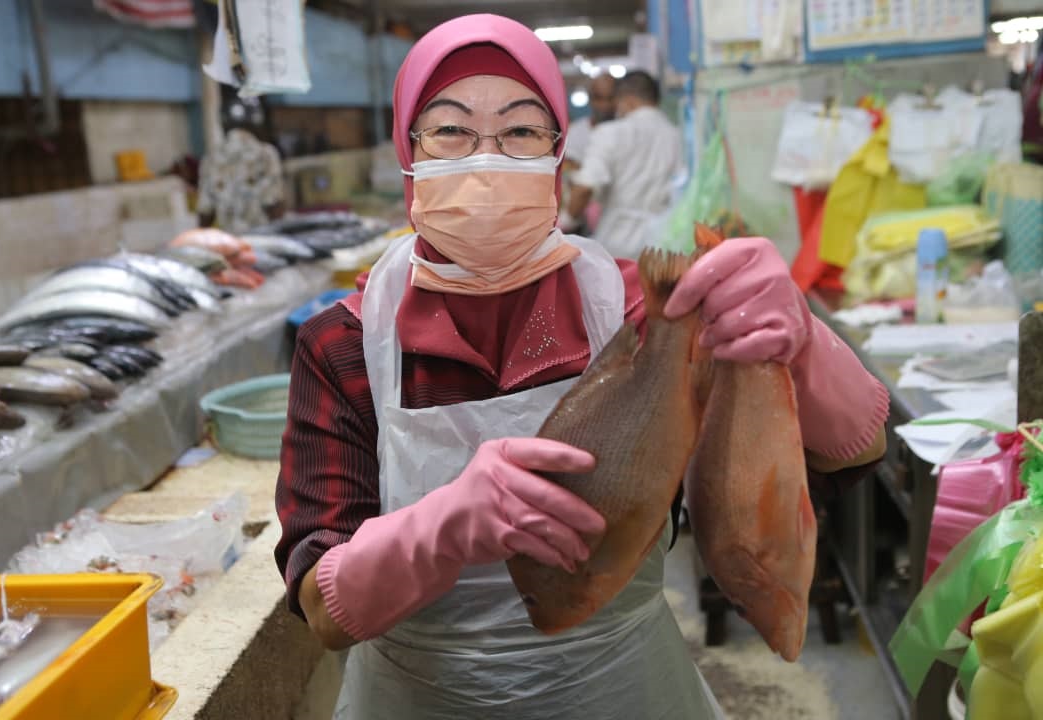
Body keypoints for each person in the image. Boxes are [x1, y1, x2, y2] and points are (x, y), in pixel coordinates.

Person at [275, 13, 890, 720]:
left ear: (558, 154)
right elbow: (319, 612)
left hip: (629, 691)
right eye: (450, 130)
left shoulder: (645, 309)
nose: (488, 158)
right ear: (408, 154)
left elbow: (853, 456)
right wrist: (442, 528)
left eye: (520, 132)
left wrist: (799, 341)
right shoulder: (343, 343)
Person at [562, 70, 683, 259]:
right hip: (663, 243)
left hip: (616, 241)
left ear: (627, 100)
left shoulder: (610, 133)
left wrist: (565, 222)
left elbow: (585, 188)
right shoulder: (676, 136)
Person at [196, 101, 286, 233]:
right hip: (262, 239)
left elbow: (205, 212)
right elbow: (273, 203)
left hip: (230, 244)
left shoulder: (211, 158)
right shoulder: (266, 154)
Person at [563, 73, 617, 168]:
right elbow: (569, 166)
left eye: (610, 98)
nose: (605, 105)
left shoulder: (628, 131)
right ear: (590, 98)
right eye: (598, 98)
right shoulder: (576, 131)